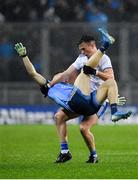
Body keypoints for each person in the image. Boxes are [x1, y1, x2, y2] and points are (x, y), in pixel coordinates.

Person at [15, 28, 131, 163]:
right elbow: (61, 74)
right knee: (60, 117)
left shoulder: (104, 59)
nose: (82, 52)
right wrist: (49, 82)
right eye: (80, 50)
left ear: (92, 45)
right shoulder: (73, 70)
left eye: (83, 49)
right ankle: (67, 152)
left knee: (84, 125)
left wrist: (97, 76)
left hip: (96, 100)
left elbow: (110, 77)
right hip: (83, 100)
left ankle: (105, 45)